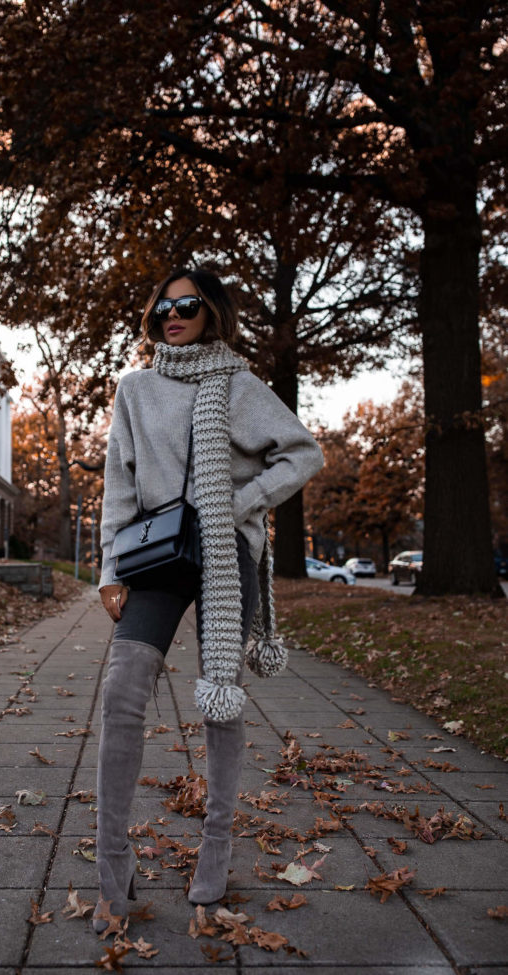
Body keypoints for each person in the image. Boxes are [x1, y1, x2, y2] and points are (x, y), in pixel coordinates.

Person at [95, 267, 323, 932]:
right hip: (157, 554)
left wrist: (235, 504)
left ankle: (213, 869)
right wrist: (109, 567)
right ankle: (113, 875)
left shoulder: (242, 386)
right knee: (123, 688)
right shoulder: (135, 389)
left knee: (220, 699)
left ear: (210, 313)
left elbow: (302, 454)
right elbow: (119, 479)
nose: (173, 314)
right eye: (163, 306)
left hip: (227, 557)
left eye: (188, 305)